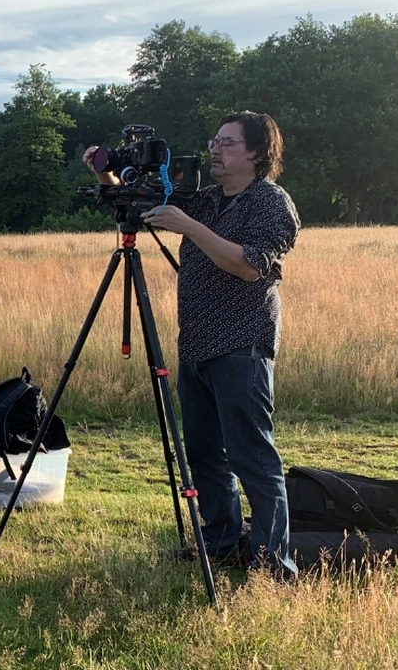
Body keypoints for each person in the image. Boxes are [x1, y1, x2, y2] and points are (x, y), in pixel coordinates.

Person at [84, 111, 300, 577]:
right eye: (214, 141)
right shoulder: (205, 200)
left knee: (253, 458)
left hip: (242, 345)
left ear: (257, 153)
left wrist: (190, 226)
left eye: (227, 143)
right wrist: (105, 170)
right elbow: (139, 203)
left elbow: (250, 265)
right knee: (204, 453)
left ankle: (271, 565)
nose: (214, 150)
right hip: (197, 345)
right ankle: (221, 542)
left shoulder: (270, 202)